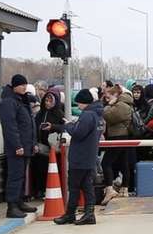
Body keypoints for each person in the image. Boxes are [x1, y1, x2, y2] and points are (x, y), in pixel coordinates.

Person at [45, 89, 104, 225]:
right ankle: (89, 214)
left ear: (83, 102)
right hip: (89, 156)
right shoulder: (97, 115)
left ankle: (70, 214)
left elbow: (78, 133)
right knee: (86, 186)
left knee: (74, 186)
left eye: (79, 103)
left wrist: (68, 125)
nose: (78, 106)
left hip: (80, 157)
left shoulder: (87, 115)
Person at [0, 74, 38, 219]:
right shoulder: (9, 102)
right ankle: (12, 206)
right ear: (15, 85)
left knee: (22, 175)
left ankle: (20, 201)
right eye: (22, 85)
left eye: (25, 85)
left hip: (26, 146)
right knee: (15, 176)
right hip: (16, 147)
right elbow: (10, 126)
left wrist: (33, 143)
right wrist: (17, 145)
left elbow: (29, 124)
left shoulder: (23, 100)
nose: (24, 87)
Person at [99, 85, 135, 205]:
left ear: (117, 94)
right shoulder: (124, 104)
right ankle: (124, 188)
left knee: (106, 163)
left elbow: (108, 116)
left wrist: (109, 105)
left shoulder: (122, 105)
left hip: (118, 136)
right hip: (120, 136)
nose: (108, 98)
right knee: (123, 162)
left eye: (110, 95)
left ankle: (110, 189)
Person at [32, 90, 65, 199]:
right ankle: (40, 190)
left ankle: (50, 189)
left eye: (50, 101)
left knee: (52, 169)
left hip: (54, 147)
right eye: (46, 100)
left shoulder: (59, 114)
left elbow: (64, 127)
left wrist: (53, 127)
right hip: (41, 146)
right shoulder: (40, 114)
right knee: (40, 169)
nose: (48, 103)